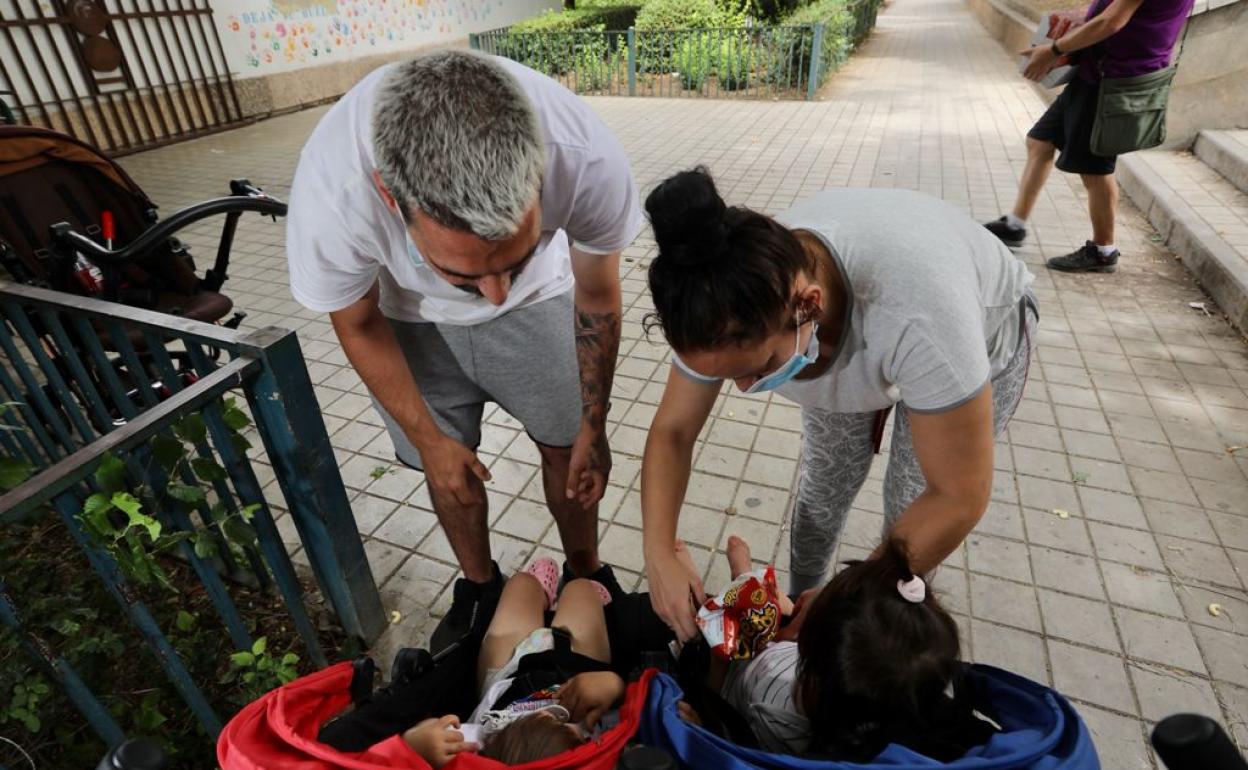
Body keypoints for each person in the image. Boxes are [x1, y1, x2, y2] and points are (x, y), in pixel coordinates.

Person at [285, 49, 643, 650]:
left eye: (515, 257)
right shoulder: (335, 190)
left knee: (570, 451)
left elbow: (599, 292)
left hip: (545, 303)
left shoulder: (582, 153)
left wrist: (593, 422)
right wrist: (429, 441)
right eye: (464, 272)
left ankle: (586, 573)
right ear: (389, 195)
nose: (495, 294)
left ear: (541, 173)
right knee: (449, 467)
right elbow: (358, 321)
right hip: (408, 318)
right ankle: (479, 587)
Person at [638, 167, 1037, 641]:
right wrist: (658, 553)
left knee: (909, 504)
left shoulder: (920, 320)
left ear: (809, 304)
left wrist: (847, 599)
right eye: (725, 375)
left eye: (758, 369)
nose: (743, 389)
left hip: (972, 330)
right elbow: (673, 431)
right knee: (825, 486)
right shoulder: (723, 293)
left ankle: (875, 623)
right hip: (865, 321)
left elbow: (956, 496)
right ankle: (799, 600)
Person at [677, 536, 997, 761]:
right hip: (787, 654)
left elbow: (731, 724)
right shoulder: (894, 689)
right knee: (773, 608)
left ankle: (725, 586)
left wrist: (713, 694)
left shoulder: (774, 715)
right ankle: (753, 589)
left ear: (810, 681)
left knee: (710, 628)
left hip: (738, 676)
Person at [985, 0, 1195, 273]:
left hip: (1113, 81)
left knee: (1095, 168)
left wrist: (1054, 50)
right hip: (1093, 74)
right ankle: (1015, 225)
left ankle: (1102, 250)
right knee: (1040, 141)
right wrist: (1082, 14)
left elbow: (1111, 22)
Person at [402, 559, 630, 767]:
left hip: (510, 677)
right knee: (581, 588)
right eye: (569, 727)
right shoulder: (596, 742)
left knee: (522, 584)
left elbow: (419, 743)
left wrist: (418, 745)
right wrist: (614, 686)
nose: (562, 720)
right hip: (577, 670)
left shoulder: (480, 747)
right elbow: (627, 712)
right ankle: (588, 607)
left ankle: (543, 597)